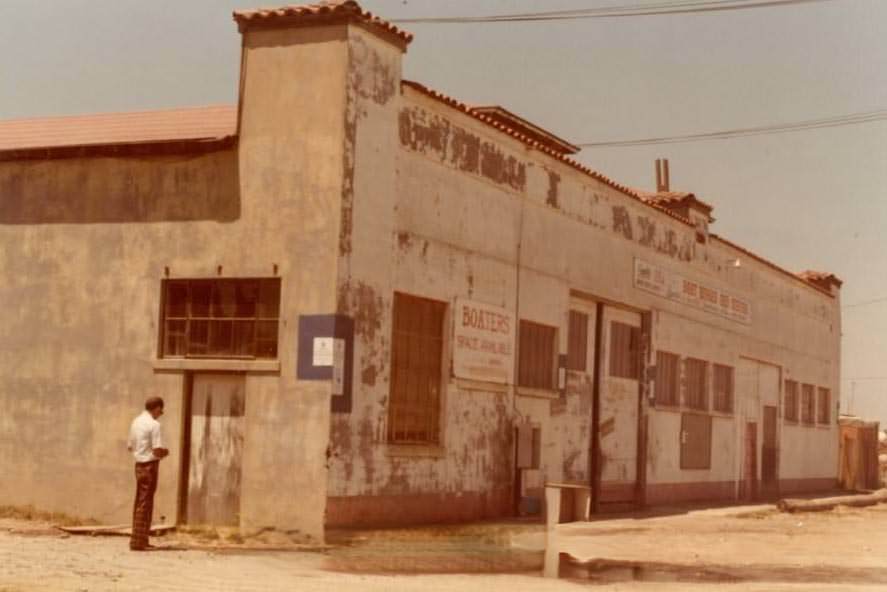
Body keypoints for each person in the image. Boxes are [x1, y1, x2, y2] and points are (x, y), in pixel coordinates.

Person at [126, 396, 169, 551]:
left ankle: (140, 539)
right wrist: (165, 452)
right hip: (150, 465)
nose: (161, 413)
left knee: (140, 501)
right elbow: (157, 450)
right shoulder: (154, 425)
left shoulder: (136, 421)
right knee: (146, 503)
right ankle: (138, 542)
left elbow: (130, 446)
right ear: (156, 408)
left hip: (138, 465)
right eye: (160, 410)